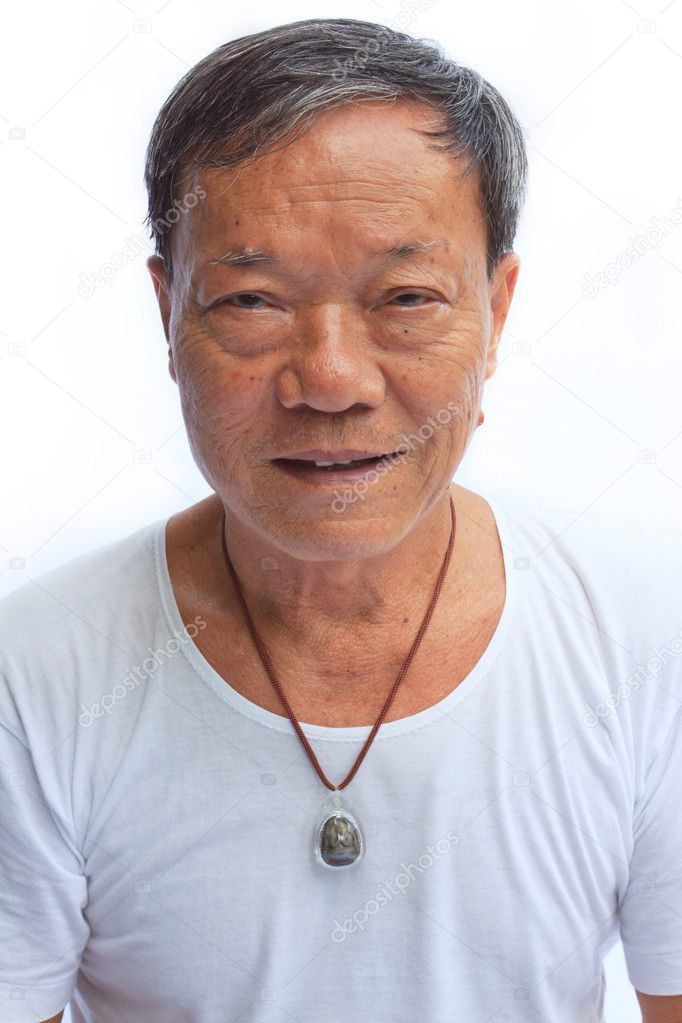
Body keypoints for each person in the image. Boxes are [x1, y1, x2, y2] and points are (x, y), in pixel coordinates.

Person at [1, 17, 681, 1023]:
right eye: (250, 301)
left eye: (405, 296)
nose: (329, 379)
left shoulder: (643, 642)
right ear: (168, 313)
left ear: (495, 312)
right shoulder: (34, 676)